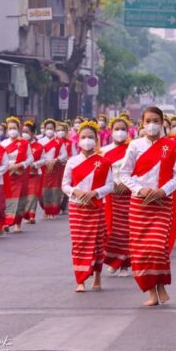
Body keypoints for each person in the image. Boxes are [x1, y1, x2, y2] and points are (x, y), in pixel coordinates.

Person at [120, 107, 176, 307]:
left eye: (156, 120)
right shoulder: (135, 145)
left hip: (162, 202)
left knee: (157, 247)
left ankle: (161, 286)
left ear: (162, 122)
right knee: (141, 251)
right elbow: (124, 174)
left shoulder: (172, 145)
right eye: (148, 121)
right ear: (142, 123)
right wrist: (139, 189)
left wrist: (163, 191)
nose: (152, 125)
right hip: (140, 204)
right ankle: (151, 291)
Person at [62, 121, 115, 292]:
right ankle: (81, 279)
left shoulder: (104, 162)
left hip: (96, 206)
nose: (87, 141)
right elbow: (65, 185)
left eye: (90, 137)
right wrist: (75, 192)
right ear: (78, 140)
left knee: (97, 243)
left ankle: (97, 275)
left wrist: (96, 193)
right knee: (79, 244)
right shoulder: (72, 161)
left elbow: (110, 185)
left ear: (97, 140)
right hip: (77, 208)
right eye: (83, 137)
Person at [100, 117, 132, 275]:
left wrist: (127, 184)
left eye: (123, 129)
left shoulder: (133, 149)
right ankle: (113, 260)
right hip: (111, 196)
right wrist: (111, 184)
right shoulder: (103, 151)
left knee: (127, 230)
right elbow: (100, 173)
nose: (120, 132)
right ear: (111, 131)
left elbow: (138, 171)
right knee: (111, 230)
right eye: (116, 129)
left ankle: (124, 264)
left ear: (128, 131)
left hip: (129, 195)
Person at [0, 117, 31, 233]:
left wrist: (20, 165)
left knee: (20, 199)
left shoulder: (24, 143)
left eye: (14, 128)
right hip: (7, 175)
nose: (12, 130)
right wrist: (8, 166)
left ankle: (18, 224)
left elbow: (30, 158)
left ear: (18, 129)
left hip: (20, 175)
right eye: (10, 128)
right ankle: (6, 222)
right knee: (7, 199)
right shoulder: (3, 144)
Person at [38, 119, 67, 219]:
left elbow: (64, 154)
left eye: (51, 128)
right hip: (43, 168)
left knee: (55, 190)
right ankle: (46, 210)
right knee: (44, 191)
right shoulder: (40, 141)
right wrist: (45, 162)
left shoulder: (59, 141)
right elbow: (37, 155)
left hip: (55, 168)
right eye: (47, 128)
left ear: (54, 129)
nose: (49, 130)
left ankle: (53, 211)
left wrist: (55, 160)